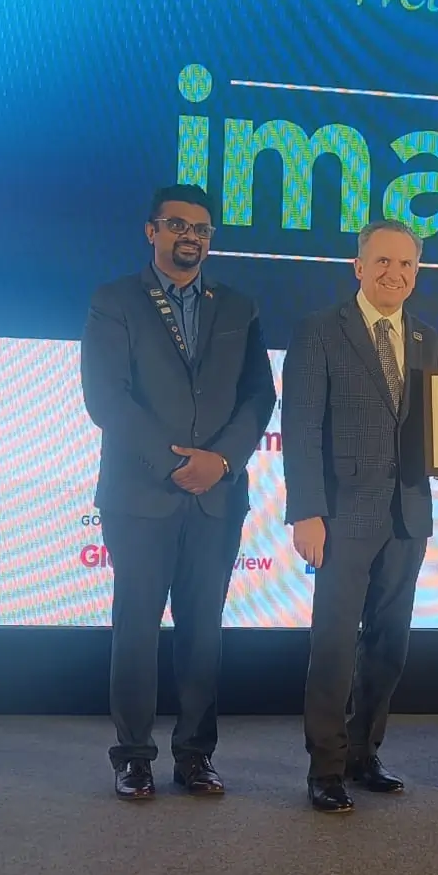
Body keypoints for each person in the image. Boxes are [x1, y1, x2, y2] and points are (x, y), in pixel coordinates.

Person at [80, 183, 276, 800]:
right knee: (136, 627)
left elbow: (259, 395)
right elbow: (106, 397)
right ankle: (133, 757)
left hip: (216, 494)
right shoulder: (114, 301)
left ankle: (195, 755)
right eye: (177, 225)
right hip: (140, 495)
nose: (190, 236)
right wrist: (173, 466)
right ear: (152, 231)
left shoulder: (238, 306)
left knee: (202, 631)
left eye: (201, 228)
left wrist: (221, 461)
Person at [282, 219, 438, 814]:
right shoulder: (320, 331)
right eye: (382, 261)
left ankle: (363, 753)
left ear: (416, 273)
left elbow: (437, 426)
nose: (394, 274)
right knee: (333, 645)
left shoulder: (428, 339)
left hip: (408, 515)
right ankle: (325, 767)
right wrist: (306, 510)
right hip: (341, 516)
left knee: (389, 644)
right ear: (358, 267)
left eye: (406, 264)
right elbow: (300, 426)